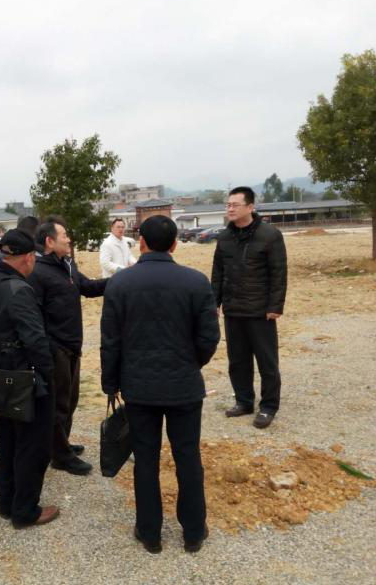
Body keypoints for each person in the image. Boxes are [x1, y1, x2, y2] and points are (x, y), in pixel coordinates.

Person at [101, 215, 220, 554]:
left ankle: (150, 532)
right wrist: (191, 363)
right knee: (188, 457)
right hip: (184, 386)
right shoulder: (196, 281)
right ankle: (193, 532)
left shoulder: (120, 284)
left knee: (145, 459)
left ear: (140, 243)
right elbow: (209, 336)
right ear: (174, 244)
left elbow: (110, 341)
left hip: (139, 388)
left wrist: (111, 383)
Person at [0, 229, 59, 528]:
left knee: (7, 442)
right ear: (29, 257)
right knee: (33, 446)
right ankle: (25, 510)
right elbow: (36, 342)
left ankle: (7, 503)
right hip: (24, 382)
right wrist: (48, 378)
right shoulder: (20, 291)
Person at [28, 221, 107, 476]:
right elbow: (34, 315)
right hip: (55, 347)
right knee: (58, 403)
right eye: (63, 235)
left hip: (73, 344)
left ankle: (61, 443)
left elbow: (89, 288)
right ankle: (60, 456)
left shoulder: (68, 265)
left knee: (70, 400)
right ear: (49, 241)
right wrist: (45, 349)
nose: (69, 239)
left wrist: (120, 280)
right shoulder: (38, 272)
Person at [212, 186, 287, 429]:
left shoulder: (270, 235)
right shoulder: (224, 237)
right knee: (238, 360)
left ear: (251, 207)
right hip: (233, 309)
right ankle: (244, 401)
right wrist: (214, 302)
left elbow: (279, 273)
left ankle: (269, 406)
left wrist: (275, 305)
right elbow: (218, 273)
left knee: (267, 361)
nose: (230, 208)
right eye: (228, 205)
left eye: (235, 205)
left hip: (260, 310)